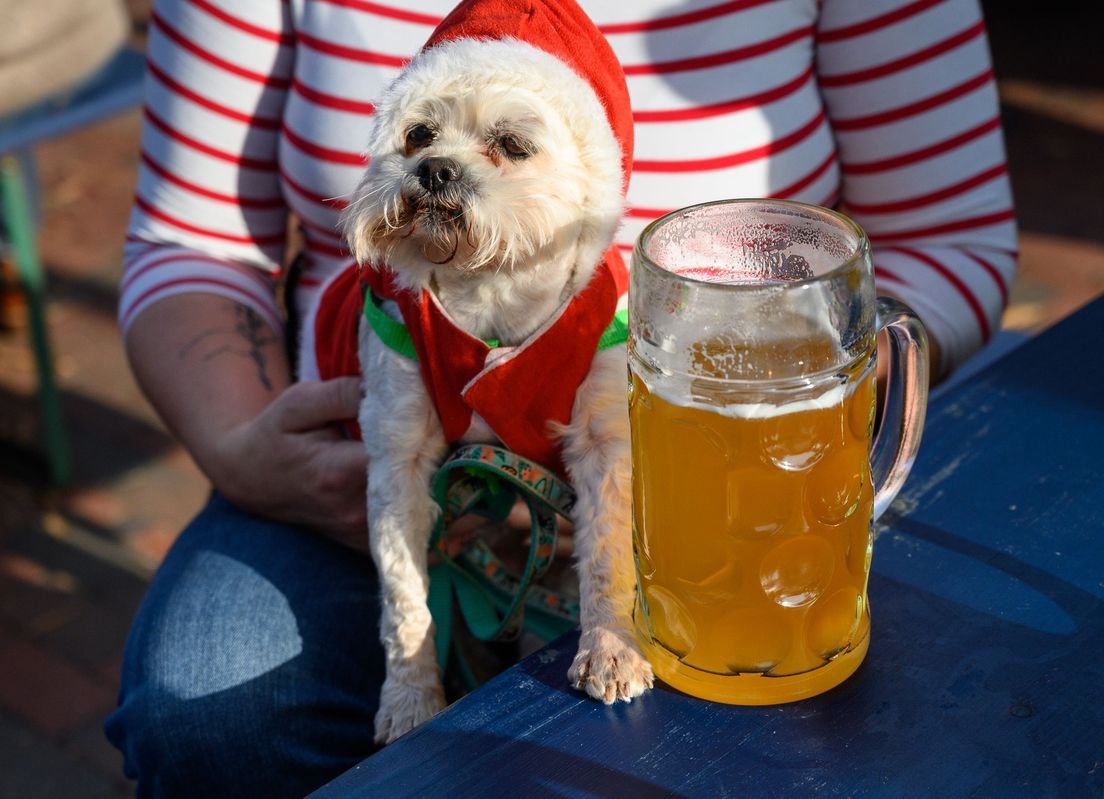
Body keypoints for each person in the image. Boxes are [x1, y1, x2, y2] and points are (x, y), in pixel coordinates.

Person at [105, 0, 1017, 795]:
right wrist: (237, 446)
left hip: (713, 486)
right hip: (337, 476)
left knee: (771, 716)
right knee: (211, 706)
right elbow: (190, 240)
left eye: (506, 146)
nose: (443, 168)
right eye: (419, 139)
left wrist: (808, 404)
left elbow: (954, 240)